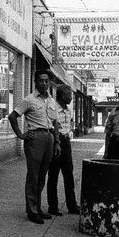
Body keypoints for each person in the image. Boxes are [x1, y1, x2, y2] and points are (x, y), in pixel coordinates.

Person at [9, 70, 60, 224]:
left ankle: (38, 208)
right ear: (35, 82)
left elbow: (56, 123)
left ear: (49, 82)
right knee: (33, 175)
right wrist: (20, 134)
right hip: (35, 138)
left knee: (43, 175)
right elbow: (13, 116)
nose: (44, 83)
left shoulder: (51, 101)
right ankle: (31, 211)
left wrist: (57, 142)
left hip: (49, 137)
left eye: (46, 81)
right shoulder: (29, 100)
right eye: (41, 81)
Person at [46, 84, 80, 216]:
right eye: (68, 95)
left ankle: (72, 205)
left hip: (66, 142)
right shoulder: (52, 109)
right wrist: (56, 142)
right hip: (56, 142)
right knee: (53, 175)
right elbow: (52, 127)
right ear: (61, 96)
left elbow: (69, 125)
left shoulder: (68, 110)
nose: (71, 98)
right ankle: (53, 207)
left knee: (69, 175)